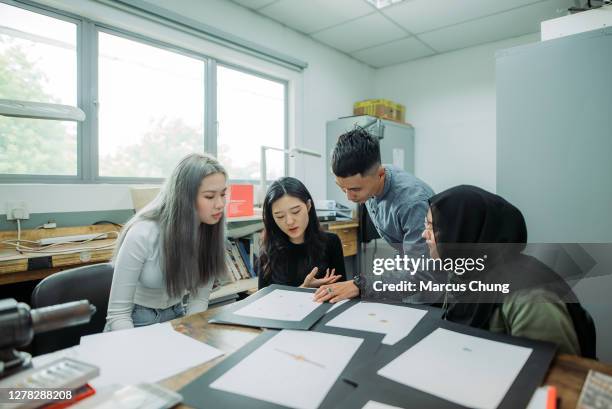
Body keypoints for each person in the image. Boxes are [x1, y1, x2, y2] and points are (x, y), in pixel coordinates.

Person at [423, 185, 595, 357]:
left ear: (464, 230)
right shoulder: (466, 272)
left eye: (433, 227)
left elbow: (550, 373)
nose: (424, 234)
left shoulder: (529, 296)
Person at [105, 153, 228, 331]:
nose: (220, 204)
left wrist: (191, 332)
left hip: (177, 315)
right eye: (210, 197)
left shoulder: (211, 231)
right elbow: (118, 314)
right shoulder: (143, 234)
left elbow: (199, 299)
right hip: (134, 320)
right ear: (184, 198)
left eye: (223, 194)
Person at [314, 127, 434, 303]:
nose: (349, 197)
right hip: (405, 272)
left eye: (355, 189)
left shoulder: (413, 203)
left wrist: (360, 285)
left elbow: (421, 274)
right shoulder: (371, 180)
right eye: (342, 187)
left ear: (380, 174)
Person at [257, 177, 346, 289]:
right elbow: (264, 302)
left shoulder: (331, 242)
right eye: (280, 216)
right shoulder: (268, 248)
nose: (289, 221)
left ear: (308, 206)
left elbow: (343, 293)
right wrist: (304, 288)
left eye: (296, 211)